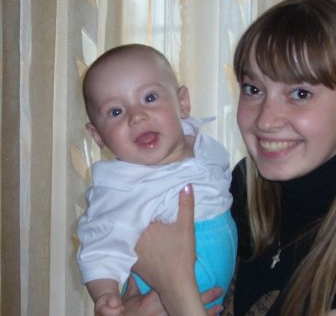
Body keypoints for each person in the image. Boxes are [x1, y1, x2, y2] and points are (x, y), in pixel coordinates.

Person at [124, 0, 336, 316]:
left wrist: (175, 287)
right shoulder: (241, 189)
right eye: (253, 89)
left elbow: (176, 284)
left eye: (300, 94)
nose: (266, 120)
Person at [76, 44, 238, 316]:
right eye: (115, 112)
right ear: (98, 136)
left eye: (149, 98)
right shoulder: (118, 188)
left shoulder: (205, 147)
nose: (136, 116)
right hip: (155, 302)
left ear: (182, 103)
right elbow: (99, 249)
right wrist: (106, 296)